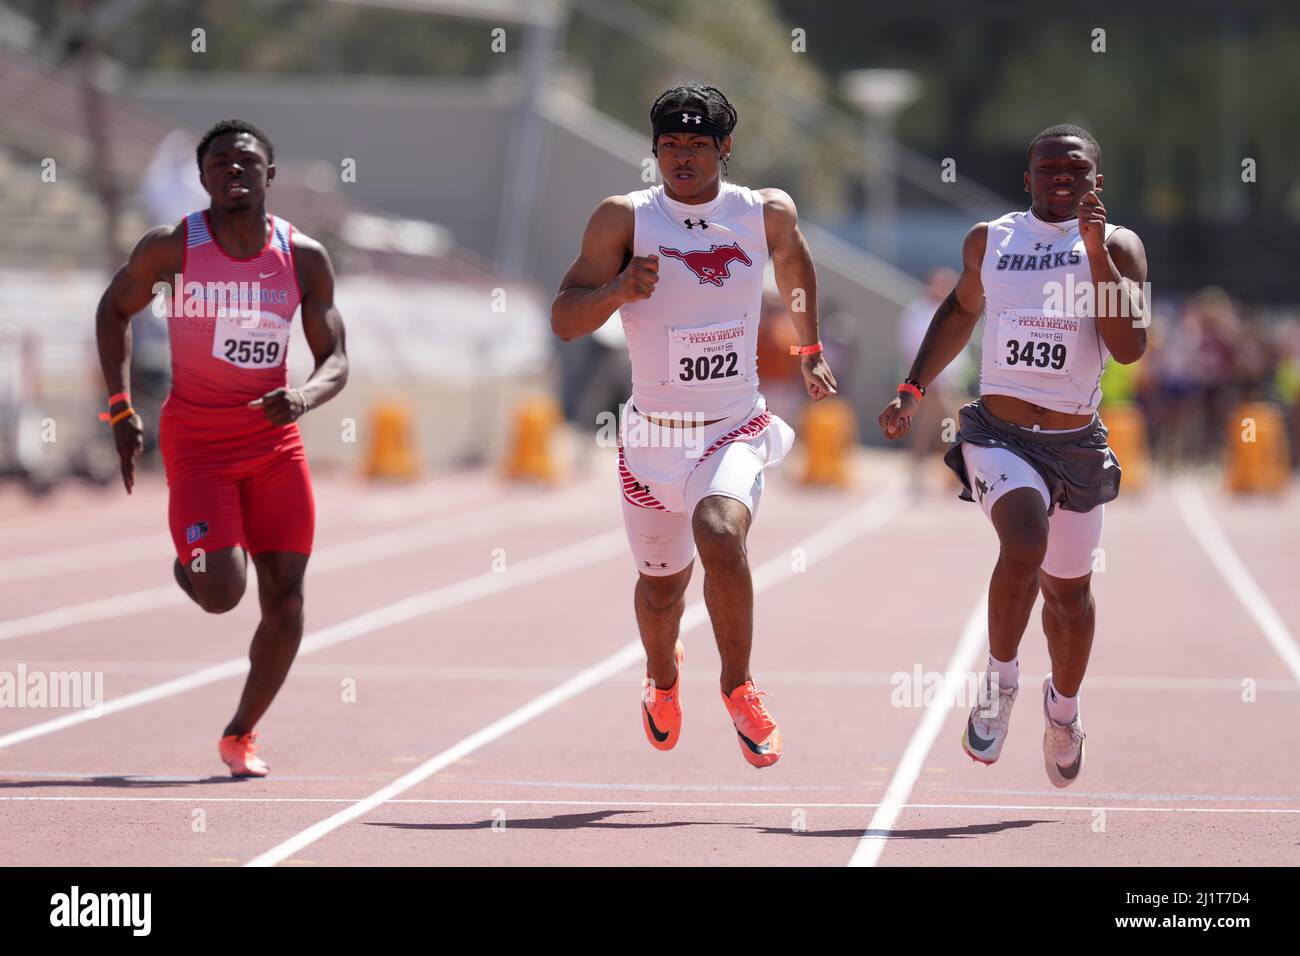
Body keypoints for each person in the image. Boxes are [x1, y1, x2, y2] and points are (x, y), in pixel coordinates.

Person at [552, 85, 836, 768]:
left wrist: (810, 347)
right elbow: (564, 317)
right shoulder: (622, 219)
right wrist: (619, 291)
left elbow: (795, 266)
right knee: (660, 593)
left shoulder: (761, 212)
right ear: (655, 151)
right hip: (653, 437)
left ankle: (738, 685)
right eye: (672, 146)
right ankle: (663, 678)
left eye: (699, 146)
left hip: (730, 426)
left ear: (724, 149)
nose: (684, 157)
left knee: (719, 531)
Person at [878, 124, 1148, 788]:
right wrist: (912, 388)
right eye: (1047, 168)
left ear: (1097, 182)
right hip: (999, 434)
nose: (1061, 177)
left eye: (1075, 169)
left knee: (1069, 597)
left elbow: (1130, 345)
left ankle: (1064, 711)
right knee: (1022, 540)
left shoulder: (1117, 247)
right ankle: (1000, 681)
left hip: (1076, 444)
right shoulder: (990, 240)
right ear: (1027, 179)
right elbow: (959, 313)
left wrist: (1092, 250)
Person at [95, 119, 349, 777]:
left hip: (273, 446)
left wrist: (303, 398)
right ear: (204, 177)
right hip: (199, 443)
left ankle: (241, 734)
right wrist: (120, 407)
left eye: (245, 161)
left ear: (269, 173)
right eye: (219, 164)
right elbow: (113, 310)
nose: (232, 171)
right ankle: (196, 564)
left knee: (288, 603)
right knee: (221, 592)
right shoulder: (175, 248)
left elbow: (336, 360)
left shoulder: (303, 256)